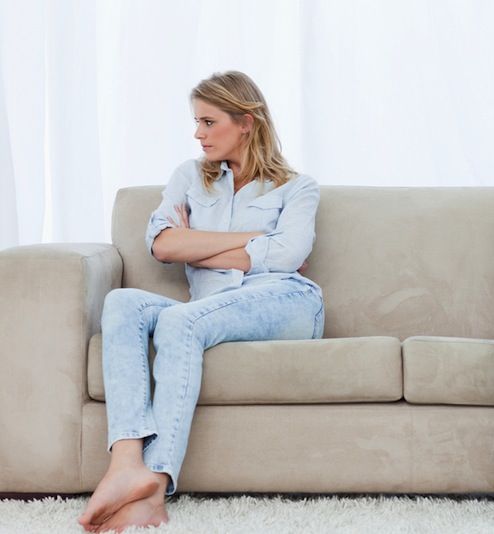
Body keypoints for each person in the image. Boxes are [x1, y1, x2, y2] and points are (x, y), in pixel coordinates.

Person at [78, 71, 324, 532]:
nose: (198, 134)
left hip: (285, 300)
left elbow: (290, 255)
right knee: (122, 302)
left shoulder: (297, 187)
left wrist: (198, 241)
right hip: (208, 307)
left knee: (180, 323)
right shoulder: (190, 177)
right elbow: (164, 246)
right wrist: (256, 240)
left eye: (209, 122)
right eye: (197, 122)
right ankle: (127, 461)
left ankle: (155, 482)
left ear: (246, 122)